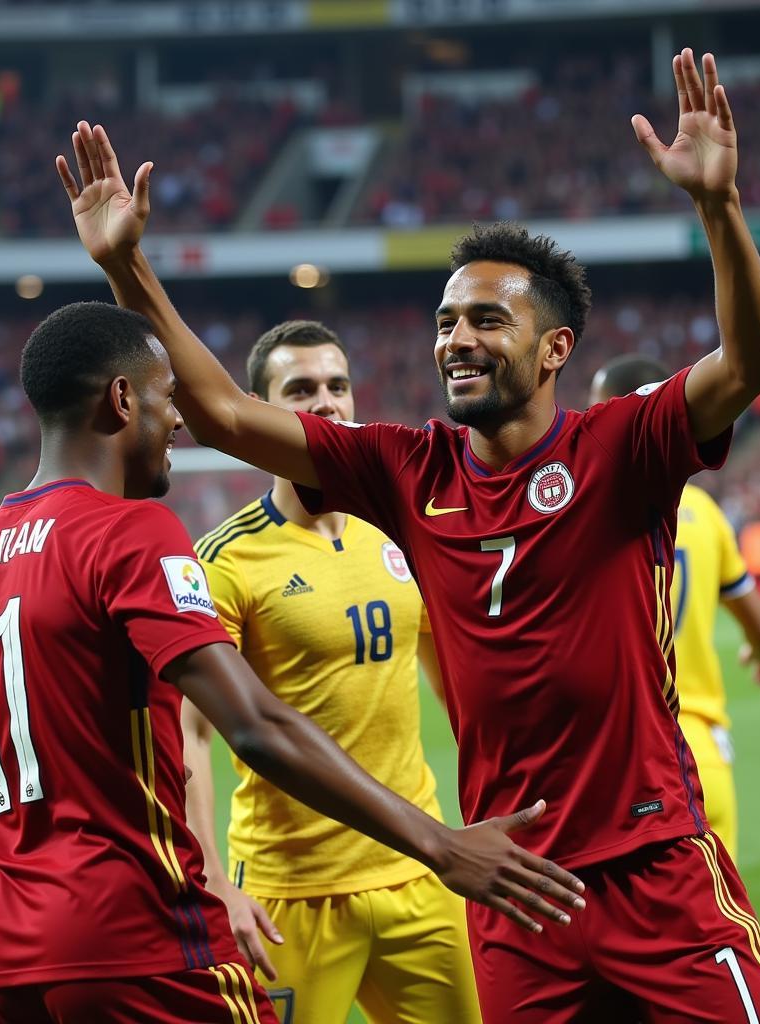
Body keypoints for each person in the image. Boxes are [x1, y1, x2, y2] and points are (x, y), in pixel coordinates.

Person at [58, 47, 760, 1022]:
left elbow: (751, 360)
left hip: (654, 865)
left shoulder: (625, 446)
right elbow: (231, 417)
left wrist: (717, 206)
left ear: (554, 349)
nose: (455, 338)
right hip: (512, 885)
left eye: (487, 319)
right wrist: (127, 266)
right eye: (446, 320)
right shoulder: (411, 469)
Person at [0, 301, 584, 1024]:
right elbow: (250, 726)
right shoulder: (135, 532)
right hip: (139, 930)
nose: (181, 423)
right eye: (168, 400)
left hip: (6, 952)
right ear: (124, 399)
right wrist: (440, 844)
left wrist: (58, 792)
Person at [182, 319, 481, 1024]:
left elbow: (461, 690)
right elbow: (189, 733)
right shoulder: (222, 559)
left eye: (338, 386)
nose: (327, 403)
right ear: (258, 414)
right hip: (291, 893)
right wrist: (214, 883)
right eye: (302, 389)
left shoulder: (402, 531)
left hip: (419, 870)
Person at [590, 353, 760, 860]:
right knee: (719, 927)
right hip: (701, 750)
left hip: (623, 757)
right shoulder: (704, 512)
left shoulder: (579, 506)